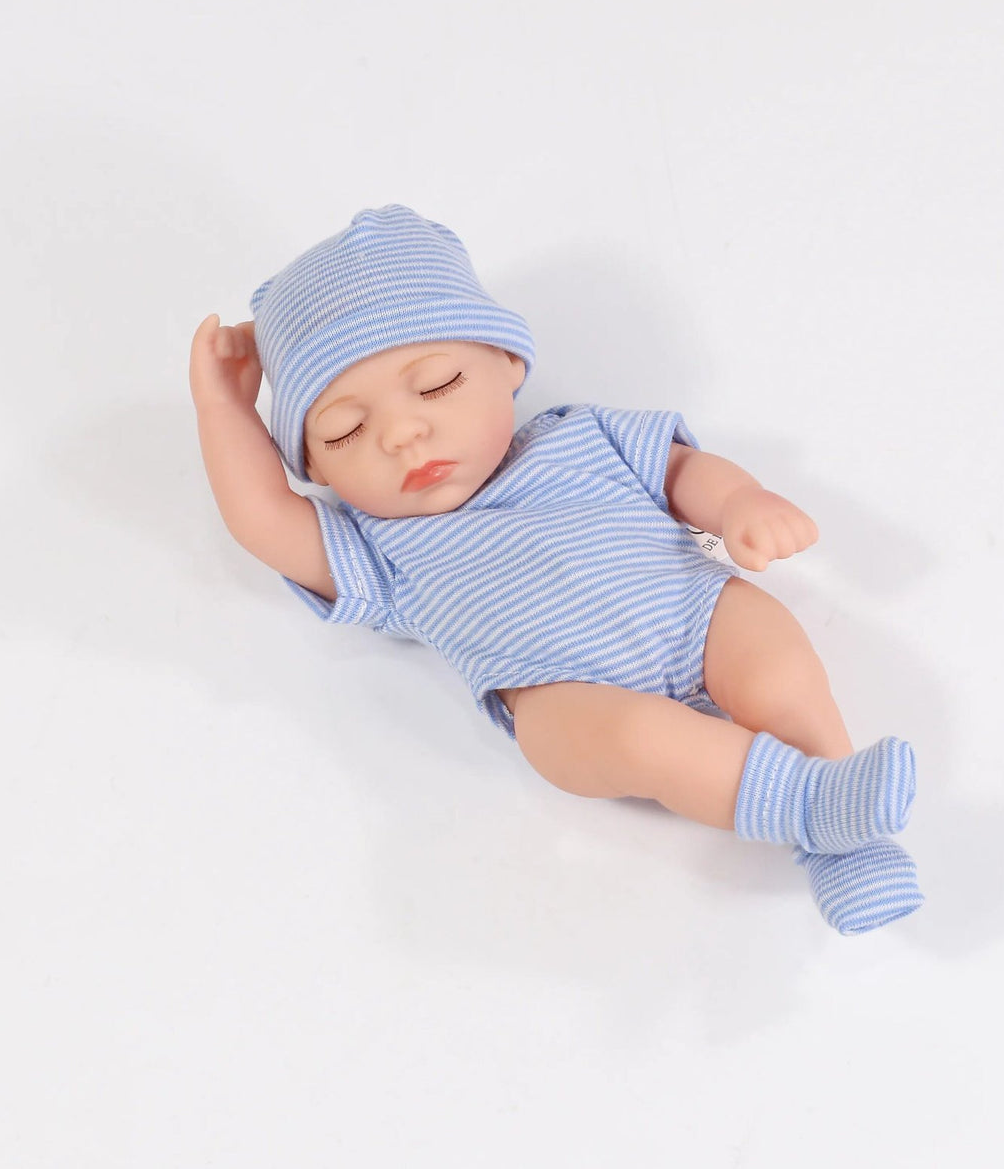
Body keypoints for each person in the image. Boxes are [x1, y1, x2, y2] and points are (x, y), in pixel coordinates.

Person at [189, 205, 923, 934]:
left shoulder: (581, 436)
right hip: (569, 697)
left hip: (696, 614)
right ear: (315, 468)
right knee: (640, 743)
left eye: (436, 383)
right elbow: (261, 519)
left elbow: (680, 472)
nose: (403, 433)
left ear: (508, 363)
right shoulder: (382, 550)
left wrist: (740, 503)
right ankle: (811, 809)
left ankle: (850, 839)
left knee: (772, 656)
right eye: (345, 430)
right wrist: (224, 406)